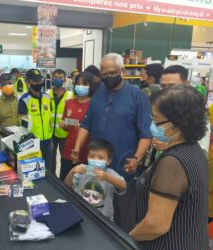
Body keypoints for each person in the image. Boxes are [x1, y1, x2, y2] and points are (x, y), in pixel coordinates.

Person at [72, 53, 152, 232]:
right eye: (104, 74)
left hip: (124, 164)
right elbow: (86, 124)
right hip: (97, 164)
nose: (108, 77)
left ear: (122, 70)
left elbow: (145, 134)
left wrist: (137, 158)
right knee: (95, 205)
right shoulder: (98, 95)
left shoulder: (137, 96)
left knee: (123, 214)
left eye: (112, 73)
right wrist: (77, 148)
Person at [130, 85, 208, 250]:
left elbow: (156, 225)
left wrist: (127, 238)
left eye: (155, 120)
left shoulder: (172, 163)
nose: (152, 125)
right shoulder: (195, 150)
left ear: (178, 124)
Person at [65, 140, 126, 221]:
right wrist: (72, 172)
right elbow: (67, 185)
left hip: (103, 218)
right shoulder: (82, 169)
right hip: (81, 212)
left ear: (108, 161)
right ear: (87, 157)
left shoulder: (109, 173)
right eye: (92, 156)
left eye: (100, 157)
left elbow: (123, 186)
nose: (95, 160)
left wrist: (107, 177)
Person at [59, 72, 94, 181]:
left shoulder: (94, 104)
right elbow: (65, 123)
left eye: (84, 84)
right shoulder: (69, 103)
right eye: (78, 83)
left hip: (86, 151)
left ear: (91, 86)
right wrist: (63, 125)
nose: (81, 86)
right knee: (65, 181)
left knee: (82, 184)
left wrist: (85, 128)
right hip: (68, 149)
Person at [18, 69, 53, 171]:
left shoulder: (47, 97)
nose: (38, 83)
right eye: (34, 81)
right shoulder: (24, 100)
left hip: (48, 141)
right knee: (35, 170)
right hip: (32, 142)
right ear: (28, 82)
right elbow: (23, 124)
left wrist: (51, 139)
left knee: (48, 169)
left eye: (39, 80)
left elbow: (49, 118)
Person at [46, 69, 73, 176]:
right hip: (50, 132)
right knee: (50, 159)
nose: (58, 80)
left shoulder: (71, 95)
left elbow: (74, 114)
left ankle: (64, 179)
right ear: (52, 78)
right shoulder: (47, 94)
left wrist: (69, 126)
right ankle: (52, 178)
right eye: (56, 77)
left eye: (60, 78)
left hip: (64, 132)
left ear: (65, 79)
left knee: (65, 159)